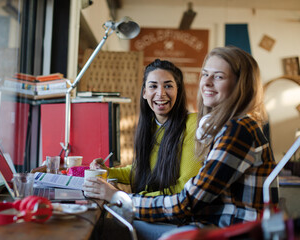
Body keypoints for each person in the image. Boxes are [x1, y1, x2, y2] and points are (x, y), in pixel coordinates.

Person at [83, 46, 279, 240]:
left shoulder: (237, 130)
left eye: (218, 76)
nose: (207, 83)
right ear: (144, 92)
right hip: (211, 225)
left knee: (111, 229)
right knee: (117, 224)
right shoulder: (235, 126)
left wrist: (118, 198)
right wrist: (111, 179)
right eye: (205, 75)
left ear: (240, 84)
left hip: (226, 232)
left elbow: (187, 202)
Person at [87, 59, 201, 198]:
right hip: (149, 211)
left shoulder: (193, 124)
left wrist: (122, 197)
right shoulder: (151, 125)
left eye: (168, 86)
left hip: (172, 215)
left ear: (178, 91)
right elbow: (140, 171)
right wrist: (107, 171)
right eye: (153, 86)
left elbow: (184, 189)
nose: (161, 93)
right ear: (144, 93)